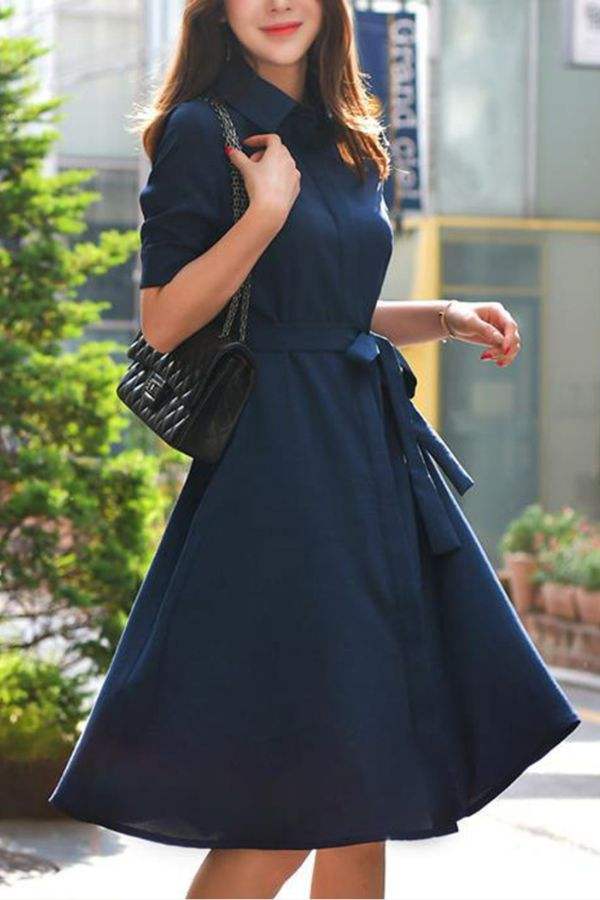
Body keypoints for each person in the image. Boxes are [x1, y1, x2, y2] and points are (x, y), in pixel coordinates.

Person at [48, 2, 581, 898]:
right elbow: (166, 319)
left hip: (366, 463)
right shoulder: (200, 129)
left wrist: (444, 317)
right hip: (278, 480)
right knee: (299, 797)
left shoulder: (351, 140)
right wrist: (263, 214)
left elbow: (320, 310)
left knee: (360, 784)